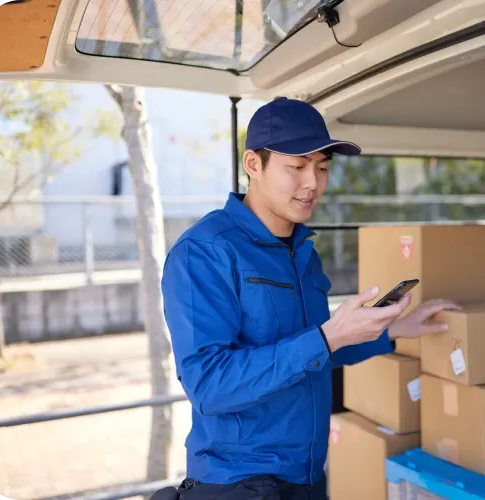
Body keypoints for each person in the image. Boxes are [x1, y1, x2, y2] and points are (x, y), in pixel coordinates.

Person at [160, 97, 458, 500]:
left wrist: (393, 329)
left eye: (321, 167)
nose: (313, 183)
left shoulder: (301, 249)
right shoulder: (206, 251)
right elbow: (209, 385)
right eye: (296, 167)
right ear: (253, 164)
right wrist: (328, 336)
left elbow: (317, 352)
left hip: (307, 477)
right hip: (239, 483)